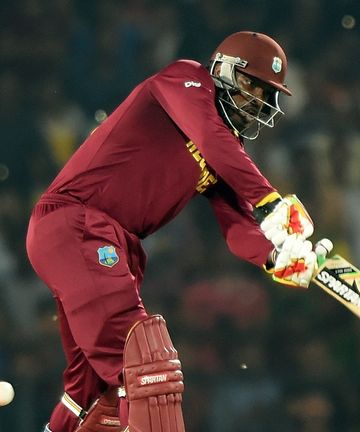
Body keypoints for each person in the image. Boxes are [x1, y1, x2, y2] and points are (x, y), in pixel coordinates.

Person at [26, 31, 327, 432]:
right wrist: (269, 200)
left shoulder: (226, 146)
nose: (257, 99)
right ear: (223, 70)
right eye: (251, 84)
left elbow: (236, 225)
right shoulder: (184, 81)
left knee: (93, 388)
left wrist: (276, 258)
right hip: (78, 223)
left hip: (108, 241)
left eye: (266, 91)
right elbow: (209, 136)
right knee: (146, 364)